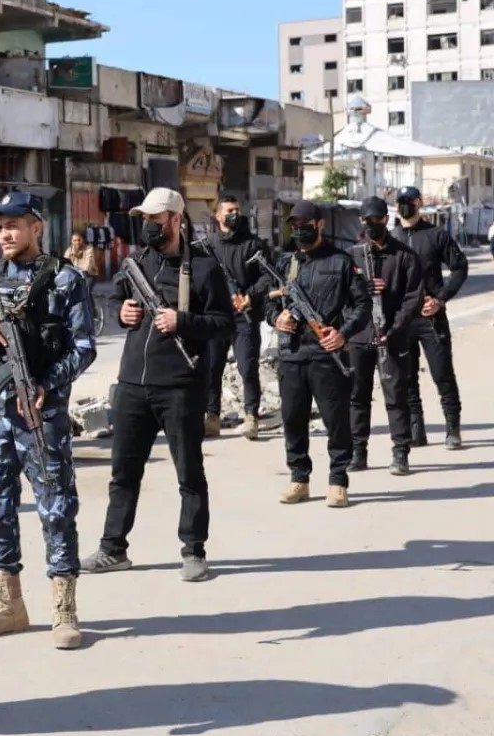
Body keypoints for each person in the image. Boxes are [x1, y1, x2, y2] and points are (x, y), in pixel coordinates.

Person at [0, 191, 98, 647]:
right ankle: (8, 604)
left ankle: (64, 609)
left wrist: (46, 385)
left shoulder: (65, 280)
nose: (5, 234)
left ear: (37, 225)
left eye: (14, 224)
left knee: (56, 507)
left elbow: (83, 347)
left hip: (42, 413)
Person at [81, 188, 232, 581]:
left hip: (180, 385)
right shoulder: (137, 263)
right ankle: (113, 548)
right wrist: (125, 311)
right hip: (133, 382)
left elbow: (223, 322)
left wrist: (183, 322)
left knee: (189, 472)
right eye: (144, 219)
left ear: (176, 220)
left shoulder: (203, 268)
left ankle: (193, 550)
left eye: (156, 219)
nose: (148, 225)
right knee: (123, 473)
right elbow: (117, 301)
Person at [271, 200, 372, 508]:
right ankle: (299, 479)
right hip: (291, 355)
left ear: (319, 224)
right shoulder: (286, 263)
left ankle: (338, 480)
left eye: (305, 224)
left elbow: (363, 305)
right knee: (292, 420)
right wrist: (276, 317)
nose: (299, 230)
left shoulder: (342, 262)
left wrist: (342, 333)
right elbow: (269, 300)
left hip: (326, 356)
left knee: (336, 421)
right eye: (294, 225)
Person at [347, 197, 424, 476]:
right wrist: (362, 289)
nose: (372, 225)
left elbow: (413, 299)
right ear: (361, 221)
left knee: (396, 396)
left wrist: (392, 331)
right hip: (359, 336)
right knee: (357, 396)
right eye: (367, 220)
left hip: (392, 336)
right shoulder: (352, 255)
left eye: (377, 219)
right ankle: (358, 451)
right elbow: (342, 296)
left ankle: (400, 452)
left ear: (385, 219)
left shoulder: (405, 256)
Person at [391, 186, 469, 448]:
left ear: (419, 203)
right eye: (400, 201)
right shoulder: (392, 238)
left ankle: (452, 429)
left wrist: (440, 299)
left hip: (431, 318)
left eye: (409, 201)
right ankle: (417, 430)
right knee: (407, 378)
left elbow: (459, 268)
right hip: (402, 319)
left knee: (442, 373)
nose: (404, 206)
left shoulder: (436, 235)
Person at [199, 195, 274, 440]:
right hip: (216, 316)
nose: (235, 214)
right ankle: (212, 417)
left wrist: (249, 297)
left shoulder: (253, 245)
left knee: (247, 366)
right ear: (218, 215)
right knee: (212, 368)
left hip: (245, 316)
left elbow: (267, 277)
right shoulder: (207, 246)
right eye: (230, 210)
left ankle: (251, 416)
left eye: (237, 209)